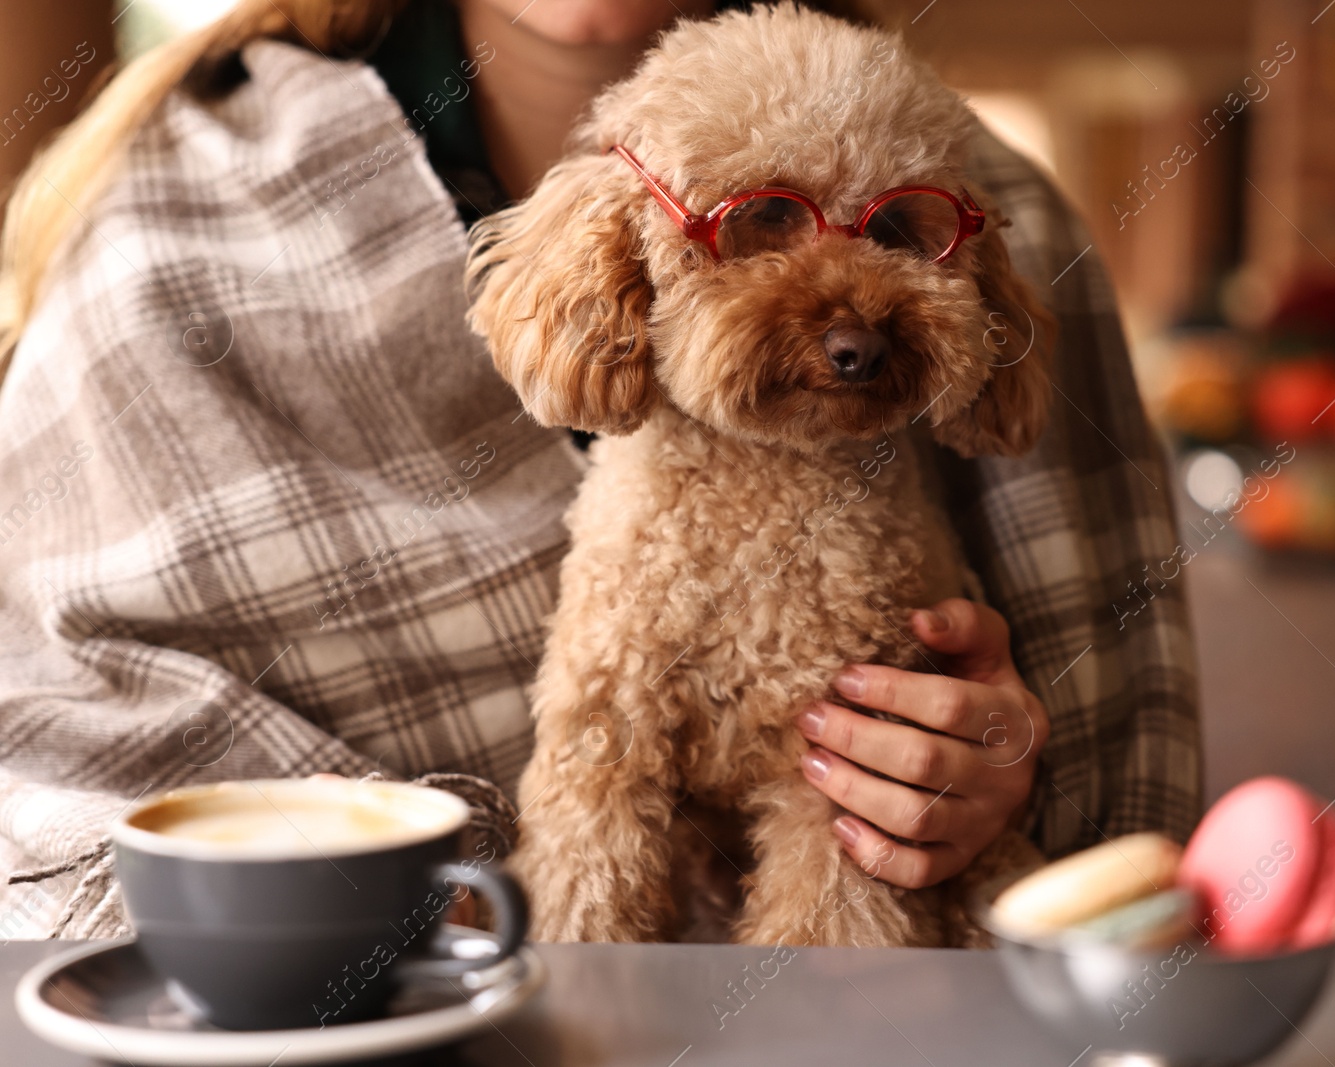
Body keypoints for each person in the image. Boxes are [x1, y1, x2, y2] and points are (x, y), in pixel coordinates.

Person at [0, 0, 1200, 939]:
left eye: (890, 230)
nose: (847, 306)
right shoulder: (154, 231)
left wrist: (978, 786)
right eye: (755, 223)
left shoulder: (996, 214)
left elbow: (1113, 828)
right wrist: (416, 921)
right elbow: (53, 747)